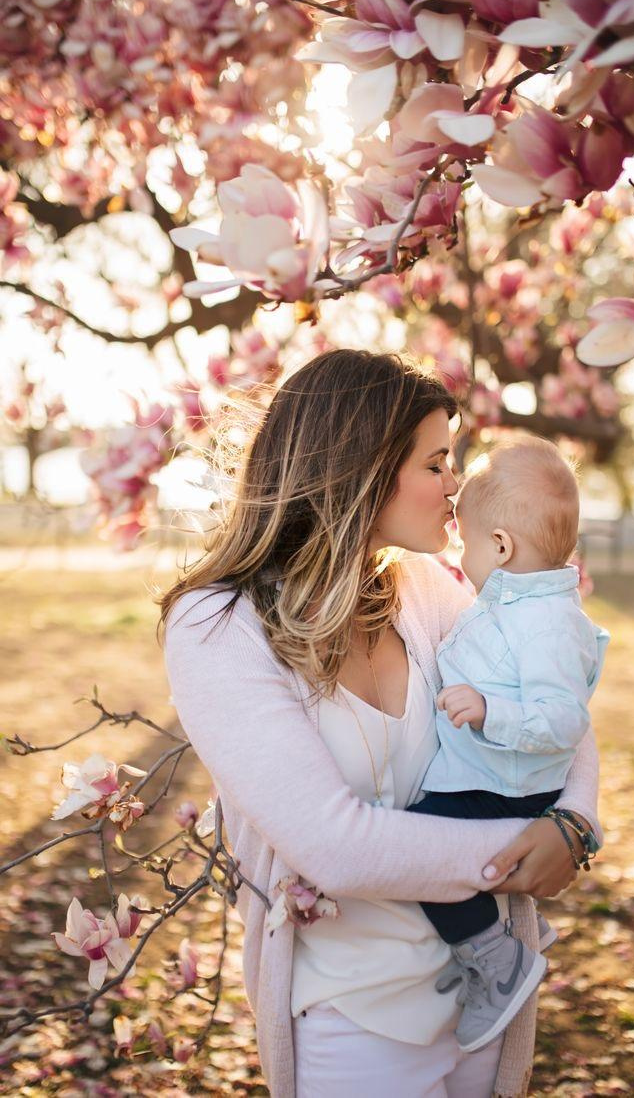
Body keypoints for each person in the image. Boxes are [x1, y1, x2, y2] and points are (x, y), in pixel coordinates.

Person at [159, 349, 603, 1098]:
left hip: (476, 993)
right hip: (350, 1011)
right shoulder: (217, 626)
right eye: (436, 462)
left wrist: (576, 824)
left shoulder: (426, 590)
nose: (454, 484)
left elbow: (558, 708)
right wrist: (526, 848)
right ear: (364, 465)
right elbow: (335, 844)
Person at [408, 435, 609, 1054]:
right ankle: (505, 939)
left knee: (422, 843)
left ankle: (498, 959)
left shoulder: (546, 622)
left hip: (502, 786)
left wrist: (492, 711)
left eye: (466, 542)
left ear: (501, 545)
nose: (459, 553)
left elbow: (562, 719)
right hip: (494, 777)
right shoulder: (516, 604)